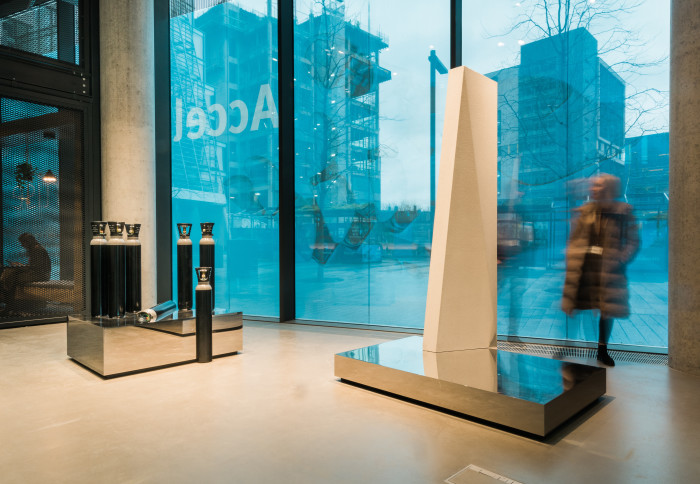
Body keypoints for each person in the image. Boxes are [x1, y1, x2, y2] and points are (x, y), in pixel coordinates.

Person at [561, 175, 639, 366]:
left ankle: (602, 350)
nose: (593, 189)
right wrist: (572, 256)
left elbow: (633, 240)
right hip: (585, 266)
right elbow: (573, 239)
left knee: (606, 309)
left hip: (609, 268)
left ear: (609, 188)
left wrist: (621, 258)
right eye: (593, 186)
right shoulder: (584, 211)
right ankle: (568, 345)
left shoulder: (623, 212)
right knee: (577, 304)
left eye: (598, 186)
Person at [0, 233, 51, 311]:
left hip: (41, 275)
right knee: (11, 276)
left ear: (28, 242)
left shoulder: (37, 250)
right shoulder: (35, 249)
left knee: (12, 278)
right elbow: (34, 266)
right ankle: (11, 303)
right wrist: (21, 265)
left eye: (23, 243)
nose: (22, 245)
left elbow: (36, 268)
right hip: (38, 273)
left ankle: (11, 304)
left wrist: (20, 266)